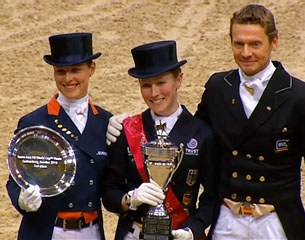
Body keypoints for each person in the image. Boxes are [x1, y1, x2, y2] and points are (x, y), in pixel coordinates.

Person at [106, 4, 305, 240]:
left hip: (276, 221)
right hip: (228, 221)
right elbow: (189, 135)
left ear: (274, 42)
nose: (246, 52)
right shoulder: (218, 88)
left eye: (255, 44)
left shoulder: (298, 95)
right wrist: (120, 123)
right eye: (238, 43)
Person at [102, 40, 220, 240]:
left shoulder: (202, 134)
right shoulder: (126, 129)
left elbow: (213, 196)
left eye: (161, 83)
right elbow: (109, 192)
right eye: (146, 85)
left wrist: (192, 229)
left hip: (179, 234)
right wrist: (130, 199)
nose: (154, 93)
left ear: (179, 80)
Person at [6, 32, 112, 240]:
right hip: (47, 232)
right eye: (60, 71)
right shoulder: (34, 122)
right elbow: (15, 178)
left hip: (91, 231)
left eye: (75, 70)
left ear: (92, 69)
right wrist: (21, 200)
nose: (68, 78)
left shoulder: (106, 122)